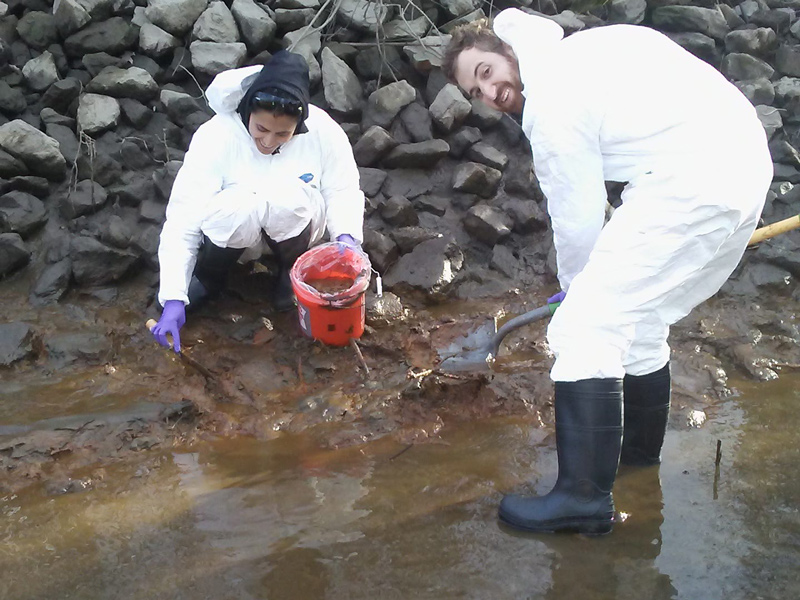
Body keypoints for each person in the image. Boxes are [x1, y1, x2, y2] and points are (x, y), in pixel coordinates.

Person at [443, 9, 771, 534]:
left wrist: (577, 290)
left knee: (585, 327)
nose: (489, 92)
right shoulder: (587, 48)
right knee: (638, 323)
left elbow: (577, 213)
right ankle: (636, 466)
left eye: (485, 72)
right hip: (741, 169)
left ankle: (581, 500)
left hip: (693, 180)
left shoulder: (551, 97)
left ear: (507, 50)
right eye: (475, 91)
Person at [151, 51, 365, 353]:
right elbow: (182, 218)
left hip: (296, 226)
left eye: (283, 134)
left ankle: (290, 275)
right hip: (234, 232)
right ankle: (210, 278)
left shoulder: (323, 131)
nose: (268, 141)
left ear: (299, 125)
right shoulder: (216, 136)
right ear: (248, 111)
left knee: (289, 197)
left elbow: (342, 189)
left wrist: (347, 237)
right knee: (239, 204)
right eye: (261, 129)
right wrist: (173, 297)